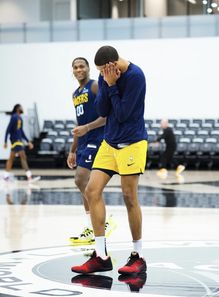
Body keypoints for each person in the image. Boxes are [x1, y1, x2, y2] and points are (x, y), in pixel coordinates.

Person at [71, 45, 148, 275]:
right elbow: (103, 109)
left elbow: (123, 114)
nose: (101, 75)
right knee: (92, 190)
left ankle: (138, 256)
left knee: (129, 196)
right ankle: (101, 255)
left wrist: (112, 85)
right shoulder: (105, 77)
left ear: (111, 64)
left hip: (132, 142)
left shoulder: (136, 76)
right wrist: (106, 83)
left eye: (103, 71)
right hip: (110, 142)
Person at [68, 57, 116, 245]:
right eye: (75, 67)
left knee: (81, 179)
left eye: (82, 66)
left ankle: (104, 222)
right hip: (83, 141)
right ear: (72, 71)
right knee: (83, 185)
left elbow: (106, 116)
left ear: (88, 68)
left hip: (98, 138)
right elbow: (78, 125)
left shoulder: (95, 86)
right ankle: (93, 226)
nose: (79, 69)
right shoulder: (75, 94)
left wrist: (87, 128)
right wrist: (72, 150)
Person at [3, 104, 36, 182]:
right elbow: (8, 130)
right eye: (21, 107)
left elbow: (21, 131)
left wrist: (28, 142)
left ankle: (5, 176)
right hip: (15, 140)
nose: (22, 108)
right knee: (23, 156)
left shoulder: (20, 118)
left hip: (19, 140)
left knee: (11, 158)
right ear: (18, 108)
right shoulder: (14, 117)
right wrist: (5, 141)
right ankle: (29, 176)